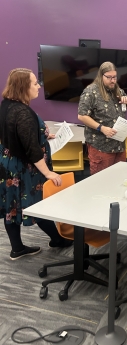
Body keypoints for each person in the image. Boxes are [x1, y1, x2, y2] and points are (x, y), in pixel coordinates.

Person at [0, 68, 73, 260]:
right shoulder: (23, 113)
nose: (38, 86)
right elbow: (32, 149)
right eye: (34, 83)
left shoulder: (7, 105)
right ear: (23, 87)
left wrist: (42, 135)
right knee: (38, 204)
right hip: (25, 169)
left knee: (12, 206)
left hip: (9, 166)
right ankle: (58, 240)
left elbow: (16, 134)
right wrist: (48, 172)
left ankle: (17, 248)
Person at [78, 62, 127, 175]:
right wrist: (102, 128)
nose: (113, 80)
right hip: (101, 146)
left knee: (119, 179)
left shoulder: (116, 89)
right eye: (109, 77)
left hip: (119, 145)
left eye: (114, 77)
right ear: (101, 75)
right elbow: (82, 116)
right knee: (101, 182)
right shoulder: (91, 91)